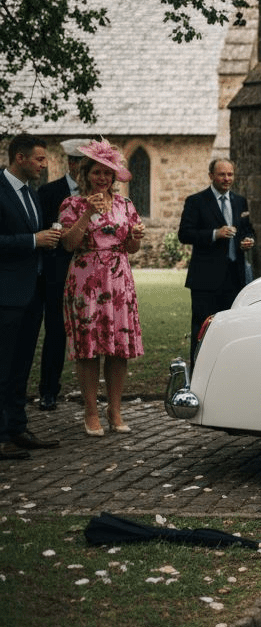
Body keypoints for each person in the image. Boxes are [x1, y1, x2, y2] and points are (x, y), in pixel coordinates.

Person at [58, 140, 145, 436]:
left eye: (108, 173)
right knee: (89, 349)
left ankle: (115, 409)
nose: (103, 178)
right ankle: (91, 411)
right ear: (86, 174)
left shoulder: (126, 205)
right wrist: (86, 215)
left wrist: (135, 236)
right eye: (97, 172)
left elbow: (131, 248)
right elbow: (69, 244)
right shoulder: (72, 205)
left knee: (118, 348)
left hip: (119, 282)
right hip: (86, 281)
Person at [0, 133, 63, 459]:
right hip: (6, 294)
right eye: (39, 159)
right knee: (3, 365)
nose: (44, 164)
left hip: (34, 292)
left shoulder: (33, 195)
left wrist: (50, 239)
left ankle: (17, 428)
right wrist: (32, 241)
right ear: (20, 158)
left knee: (22, 365)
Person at [179, 159, 255, 360]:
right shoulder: (196, 201)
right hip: (206, 279)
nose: (227, 179)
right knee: (203, 331)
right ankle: (198, 375)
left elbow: (247, 230)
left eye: (230, 174)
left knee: (232, 331)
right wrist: (215, 234)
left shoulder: (240, 201)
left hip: (235, 277)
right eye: (222, 174)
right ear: (211, 175)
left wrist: (247, 240)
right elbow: (185, 234)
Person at [35, 138, 90, 410]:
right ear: (71, 163)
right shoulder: (48, 192)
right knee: (56, 331)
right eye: (81, 162)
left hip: (92, 276)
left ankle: (89, 394)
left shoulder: (98, 194)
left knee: (90, 333)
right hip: (59, 273)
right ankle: (48, 390)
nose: (86, 168)